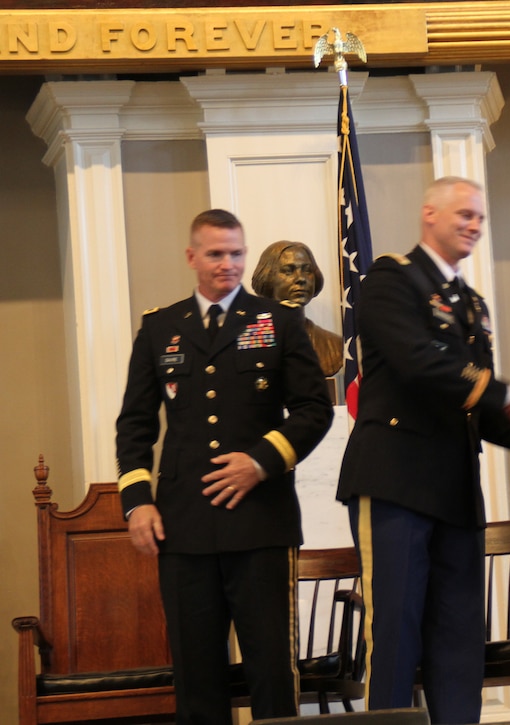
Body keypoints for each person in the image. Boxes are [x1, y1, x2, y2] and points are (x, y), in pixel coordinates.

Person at [336, 176, 510, 724]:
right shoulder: (390, 279)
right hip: (394, 483)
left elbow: (475, 407)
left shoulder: (472, 305)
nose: (474, 225)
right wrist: (509, 393)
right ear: (429, 214)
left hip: (455, 489)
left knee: (459, 637)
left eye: (480, 217)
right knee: (395, 628)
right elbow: (420, 362)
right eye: (464, 215)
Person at [116, 209, 334, 723]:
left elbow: (313, 410)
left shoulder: (277, 321)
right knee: (196, 678)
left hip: (260, 521)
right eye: (216, 254)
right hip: (184, 528)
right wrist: (136, 504)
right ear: (192, 257)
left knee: (271, 673)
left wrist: (261, 462)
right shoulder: (159, 328)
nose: (228, 264)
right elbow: (135, 425)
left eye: (236, 253)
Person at [251, 240, 343, 377]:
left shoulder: (335, 345)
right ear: (268, 277)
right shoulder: (250, 342)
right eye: (288, 271)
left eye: (307, 271)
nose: (301, 279)